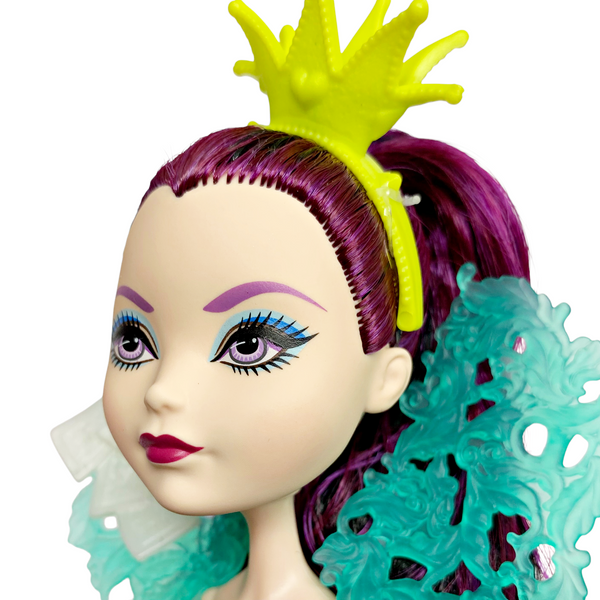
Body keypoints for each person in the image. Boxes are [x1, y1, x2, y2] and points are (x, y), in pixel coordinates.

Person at [51, 1, 600, 598]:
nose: (161, 391)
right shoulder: (183, 582)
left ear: (385, 377)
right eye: (133, 341)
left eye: (249, 345)